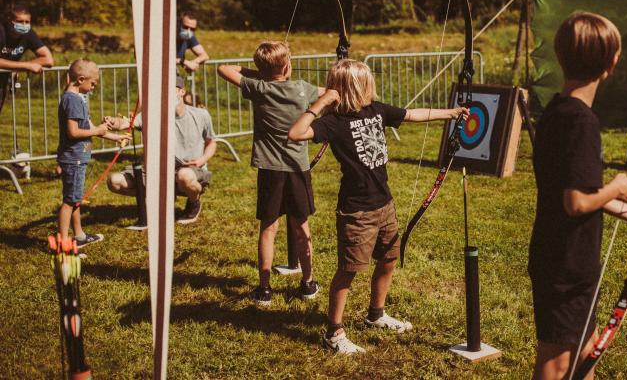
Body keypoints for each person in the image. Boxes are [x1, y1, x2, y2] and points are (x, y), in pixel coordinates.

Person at [288, 59, 468, 354]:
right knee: (348, 270)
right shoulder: (333, 121)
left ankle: (376, 314)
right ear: (357, 87)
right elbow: (295, 134)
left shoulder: (376, 110)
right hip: (357, 211)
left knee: (389, 259)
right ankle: (334, 333)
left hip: (384, 204)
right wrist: (320, 103)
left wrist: (450, 113)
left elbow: (413, 114)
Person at [528, 12, 627, 380]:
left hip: (559, 256)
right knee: (558, 362)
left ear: (561, 56)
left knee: (584, 352)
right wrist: (617, 187)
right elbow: (575, 201)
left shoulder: (557, 111)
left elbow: (576, 187)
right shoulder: (582, 122)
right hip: (566, 262)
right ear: (611, 63)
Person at [217, 41, 323, 305]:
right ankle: (307, 283)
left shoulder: (258, 88)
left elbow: (223, 68)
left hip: (270, 168)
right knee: (301, 225)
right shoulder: (302, 89)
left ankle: (264, 289)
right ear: (287, 66)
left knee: (269, 227)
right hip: (297, 168)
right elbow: (332, 92)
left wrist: (258, 72)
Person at [106, 76, 216, 224]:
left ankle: (193, 203)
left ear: (182, 92)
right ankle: (159, 199)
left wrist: (201, 160)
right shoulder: (152, 114)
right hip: (156, 171)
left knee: (184, 176)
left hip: (189, 170)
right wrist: (114, 122)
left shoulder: (201, 115)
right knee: (114, 181)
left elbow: (211, 142)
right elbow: (125, 123)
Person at [56, 59, 130, 246]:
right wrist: (96, 131)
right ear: (81, 79)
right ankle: (63, 242)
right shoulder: (72, 100)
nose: (94, 87)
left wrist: (115, 137)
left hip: (77, 158)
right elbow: (73, 132)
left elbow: (89, 126)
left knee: (75, 198)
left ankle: (79, 236)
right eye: (93, 83)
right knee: (69, 201)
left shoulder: (76, 98)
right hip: (74, 159)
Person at [0, 3, 54, 113]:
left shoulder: (29, 34)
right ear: (9, 20)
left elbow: (48, 59)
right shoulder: (1, 31)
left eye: (27, 22)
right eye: (20, 22)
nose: (24, 25)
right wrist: (26, 66)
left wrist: (15, 68)